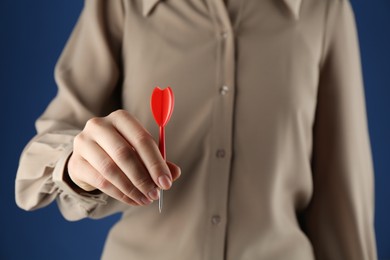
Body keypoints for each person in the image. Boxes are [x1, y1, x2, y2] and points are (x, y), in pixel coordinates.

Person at [15, 0, 377, 259]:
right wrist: (76, 163)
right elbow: (42, 156)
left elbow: (343, 192)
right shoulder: (121, 5)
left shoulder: (325, 10)